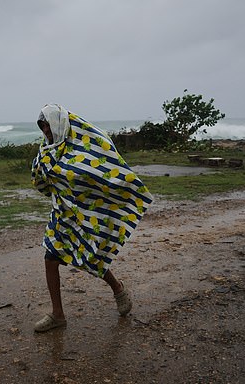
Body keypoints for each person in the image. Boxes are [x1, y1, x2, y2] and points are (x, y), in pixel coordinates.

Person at [31, 104, 153, 332]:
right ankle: (58, 315)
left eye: (48, 124)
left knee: (91, 256)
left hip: (85, 213)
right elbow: (41, 180)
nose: (45, 129)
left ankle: (118, 288)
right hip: (61, 214)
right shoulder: (46, 150)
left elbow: (102, 170)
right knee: (50, 258)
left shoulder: (83, 147)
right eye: (42, 126)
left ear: (58, 122)